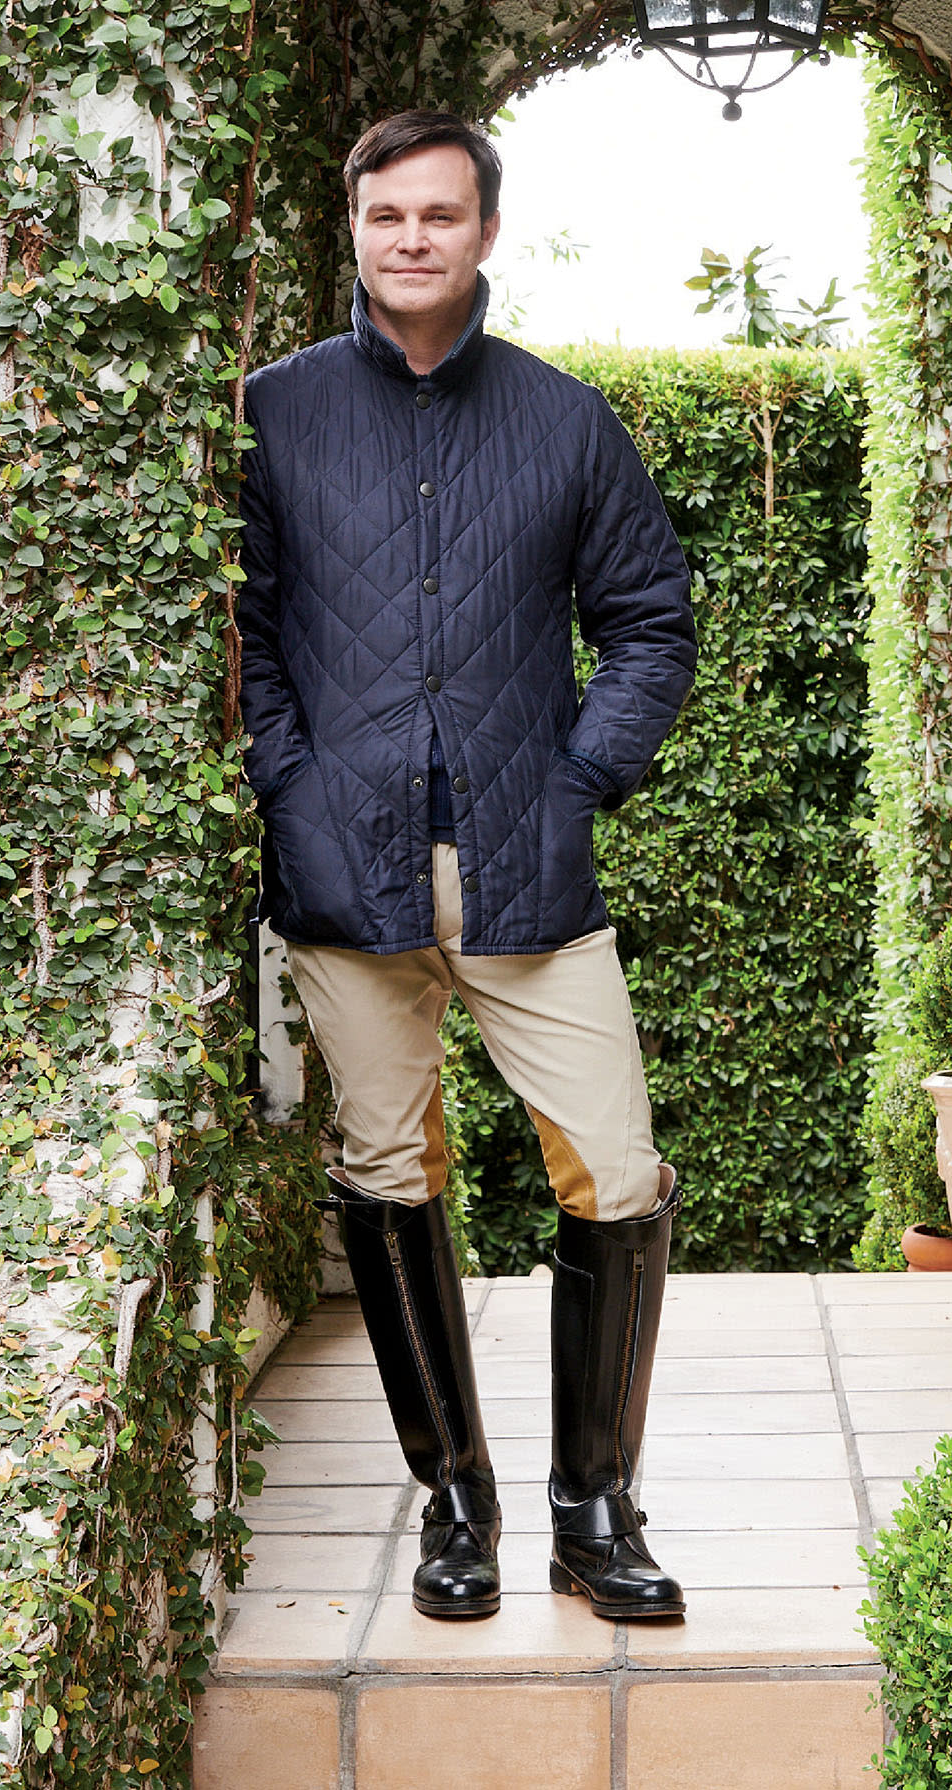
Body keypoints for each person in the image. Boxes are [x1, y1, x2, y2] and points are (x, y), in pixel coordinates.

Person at [237, 108, 697, 1624]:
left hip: (528, 874)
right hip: (344, 875)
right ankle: (456, 1498)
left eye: (442, 214)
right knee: (383, 1170)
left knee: (616, 1173)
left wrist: (581, 780)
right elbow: (241, 631)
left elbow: (649, 622)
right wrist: (290, 788)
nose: (414, 238)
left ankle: (592, 1501)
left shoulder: (566, 422)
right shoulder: (275, 415)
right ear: (356, 229)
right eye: (388, 216)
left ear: (486, 232)